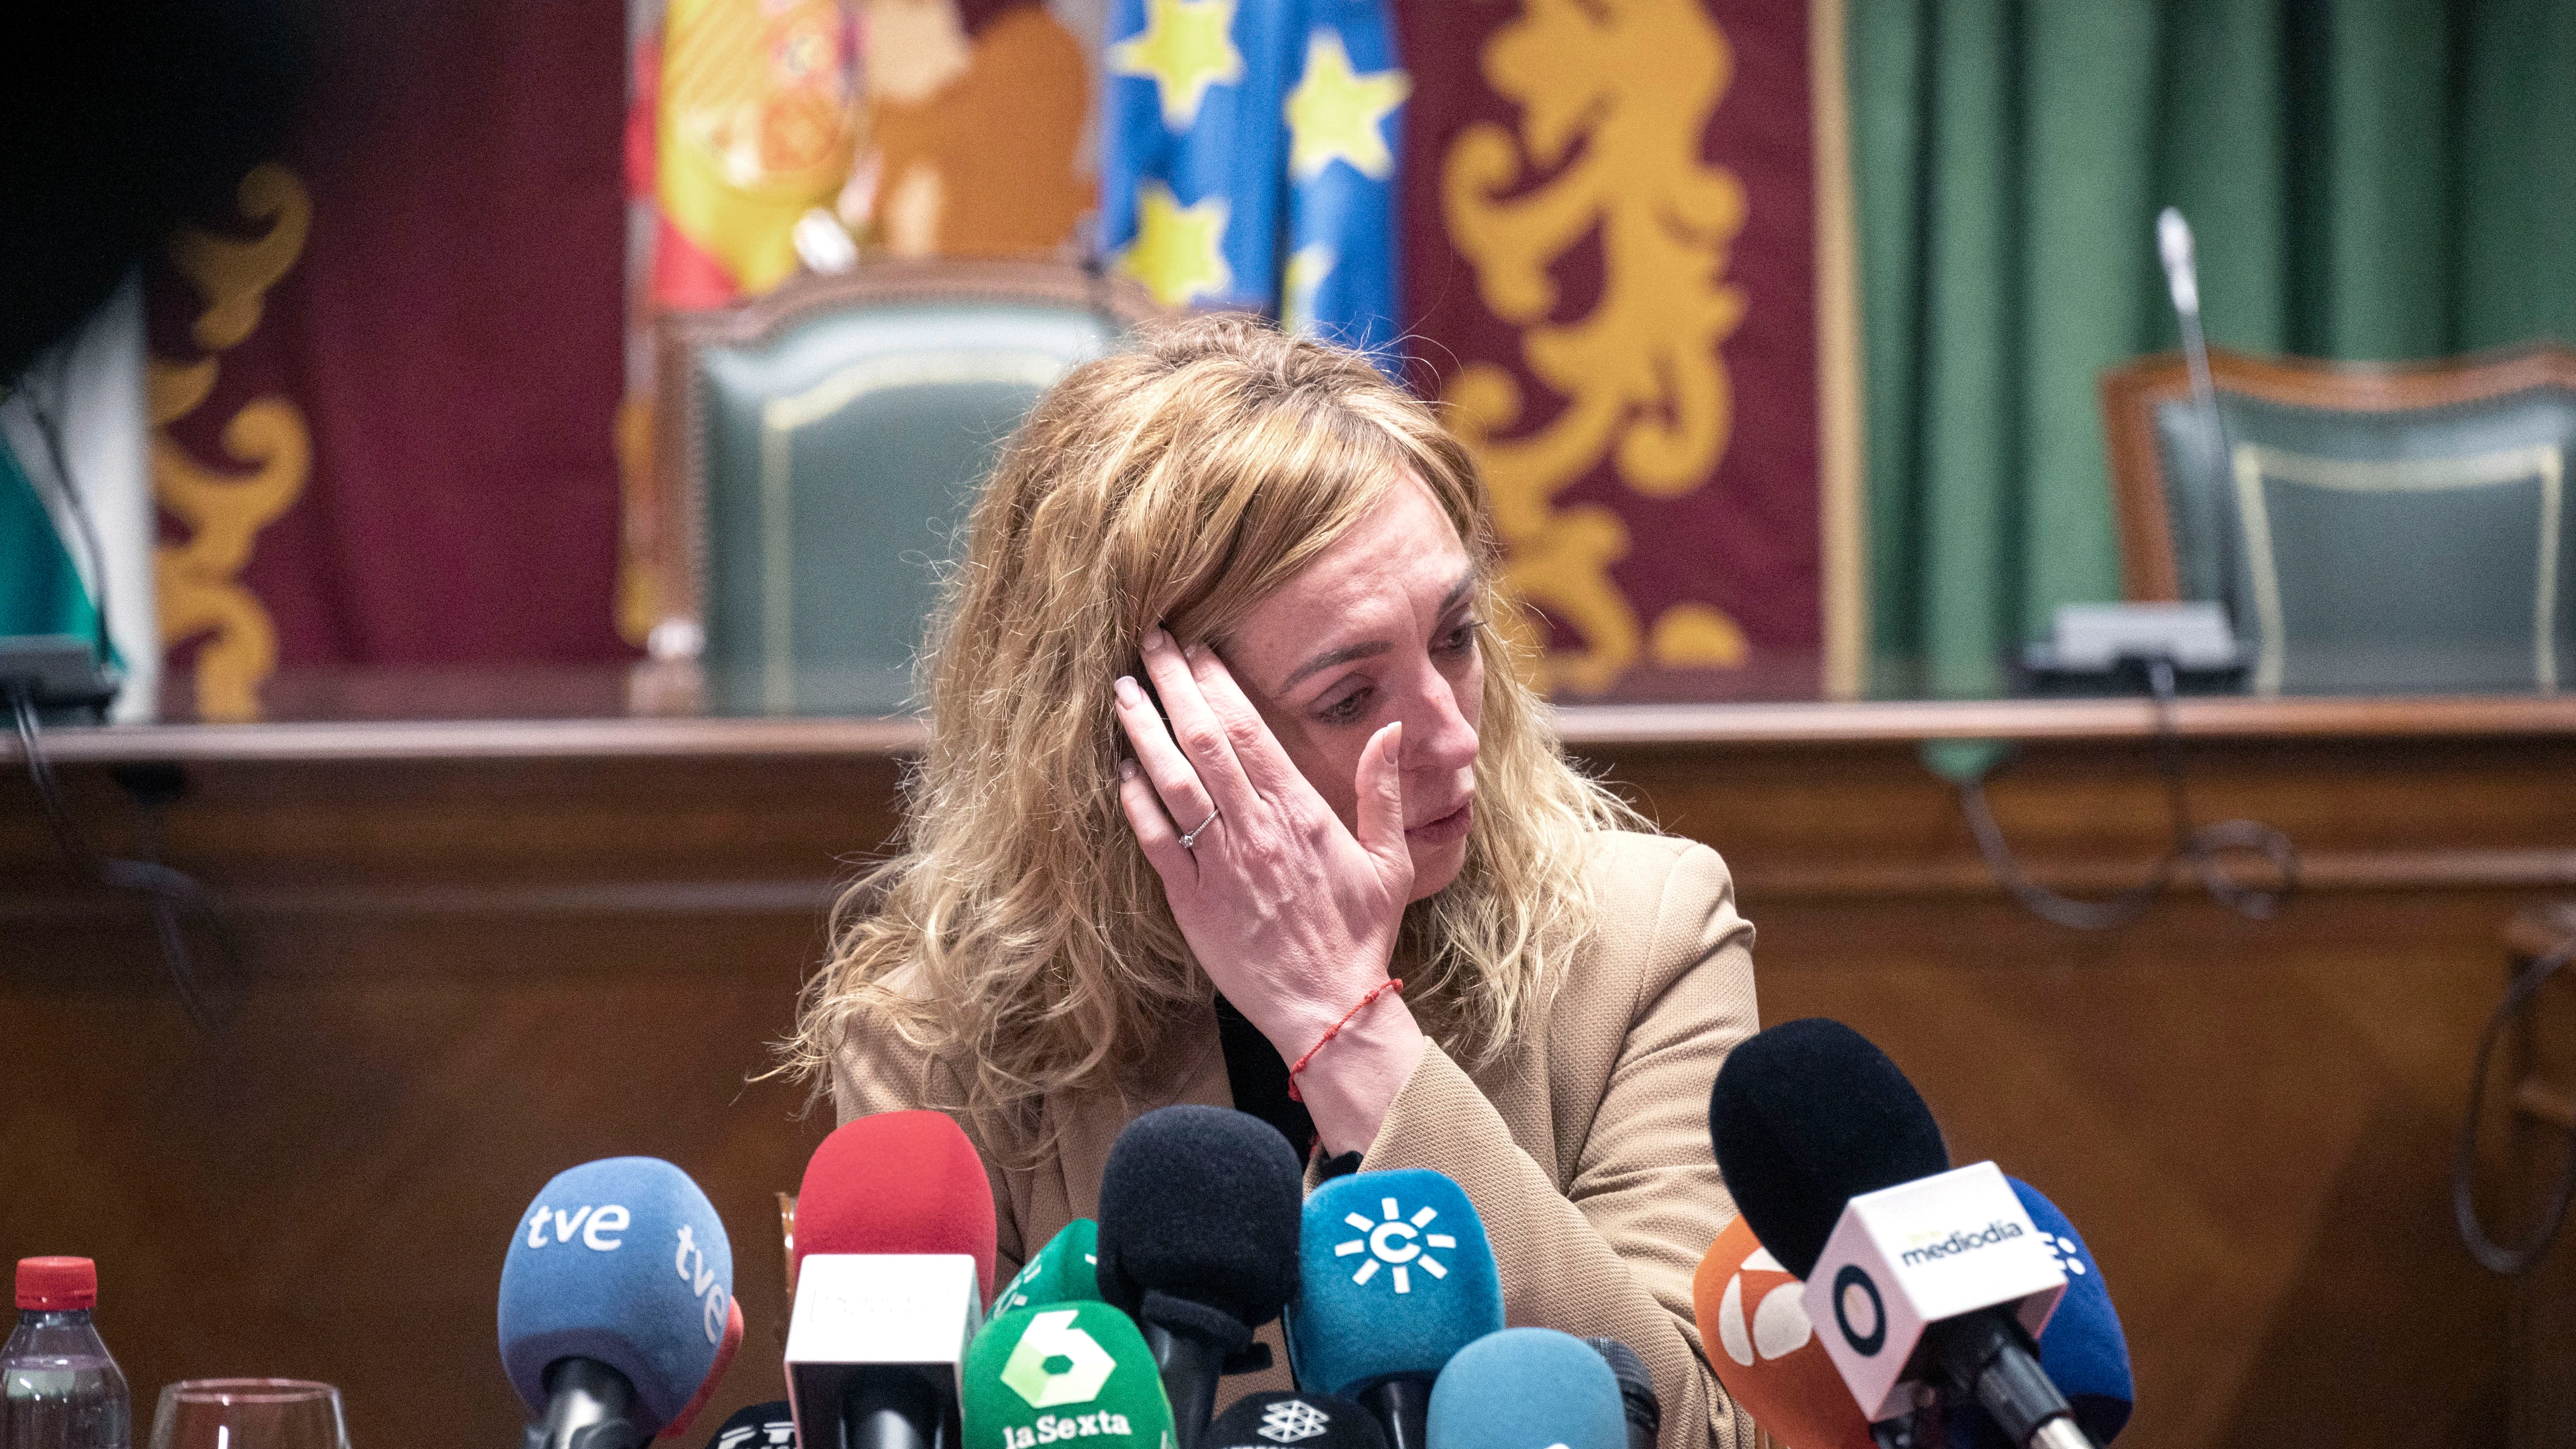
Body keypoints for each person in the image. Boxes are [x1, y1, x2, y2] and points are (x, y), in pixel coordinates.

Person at [783, 315, 1759, 1449]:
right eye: (1350, 697)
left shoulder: (1648, 938)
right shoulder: (944, 1027)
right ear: (1143, 744)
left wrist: (1348, 1032)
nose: (1451, 737)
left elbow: (1698, 1424)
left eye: (1455, 637)